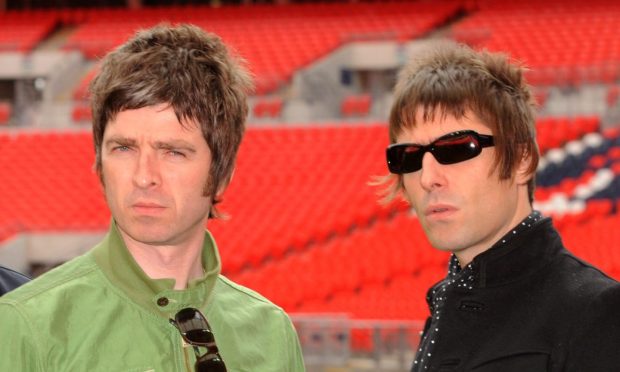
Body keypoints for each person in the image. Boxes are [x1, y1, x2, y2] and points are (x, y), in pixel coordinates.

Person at [0, 24, 305, 371]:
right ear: (99, 165)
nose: (144, 176)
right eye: (124, 148)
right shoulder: (27, 325)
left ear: (221, 175)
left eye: (173, 152)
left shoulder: (271, 332)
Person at [381, 41, 620, 371]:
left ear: (522, 159)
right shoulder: (445, 305)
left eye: (457, 148)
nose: (427, 177)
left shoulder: (596, 310)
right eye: (408, 156)